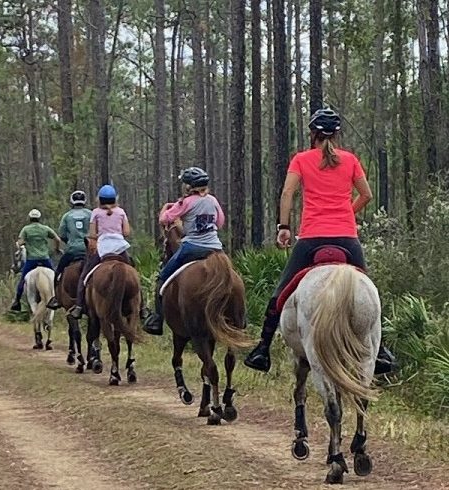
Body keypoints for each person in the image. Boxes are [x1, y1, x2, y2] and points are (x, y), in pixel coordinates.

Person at [244, 108, 396, 375]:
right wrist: (348, 211)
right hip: (347, 239)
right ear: (337, 134)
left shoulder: (301, 160)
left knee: (279, 295)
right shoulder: (350, 160)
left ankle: (262, 349)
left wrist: (284, 228)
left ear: (312, 134)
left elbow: (287, 193)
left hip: (312, 238)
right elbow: (367, 194)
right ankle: (380, 350)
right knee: (369, 291)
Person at [143, 167, 226, 336]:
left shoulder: (186, 202)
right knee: (231, 275)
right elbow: (220, 222)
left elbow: (164, 219)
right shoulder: (213, 201)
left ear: (189, 187)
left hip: (192, 248)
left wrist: (167, 208)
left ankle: (157, 319)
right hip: (216, 249)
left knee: (163, 277)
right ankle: (241, 317)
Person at [69, 184, 149, 320]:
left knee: (85, 276)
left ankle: (79, 306)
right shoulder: (121, 212)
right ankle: (142, 307)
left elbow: (93, 234)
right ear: (115, 199)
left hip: (103, 248)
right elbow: (127, 232)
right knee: (134, 273)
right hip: (120, 248)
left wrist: (99, 235)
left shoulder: (95, 212)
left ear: (99, 199)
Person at [10, 209, 63, 311]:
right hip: (44, 259)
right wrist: (56, 249)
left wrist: (20, 244)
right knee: (55, 278)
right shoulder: (45, 229)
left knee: (22, 279)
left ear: (30, 218)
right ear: (39, 218)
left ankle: (16, 301)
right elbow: (57, 239)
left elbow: (20, 242)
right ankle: (57, 297)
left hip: (31, 260)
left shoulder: (26, 229)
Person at [46, 190, 92, 309]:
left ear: (72, 201)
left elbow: (62, 234)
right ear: (84, 201)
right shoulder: (90, 214)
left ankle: (56, 298)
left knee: (58, 272)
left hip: (72, 251)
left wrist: (70, 242)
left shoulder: (67, 216)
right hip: (89, 250)